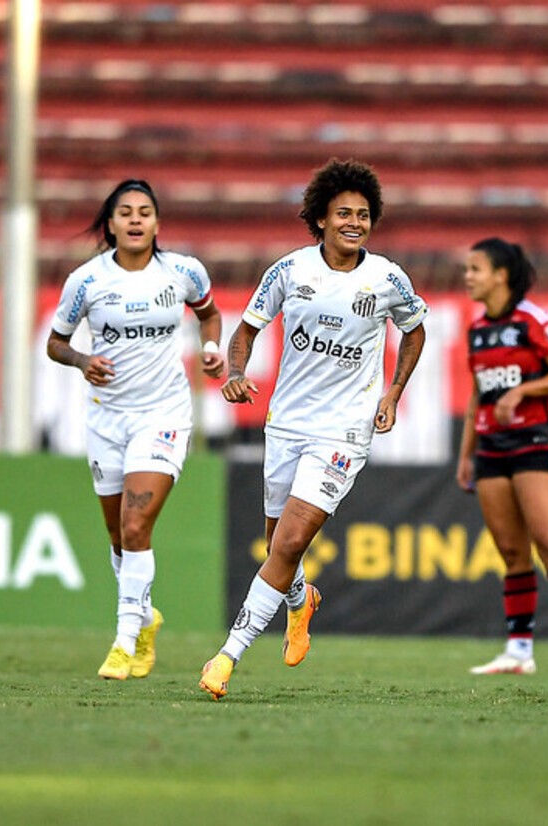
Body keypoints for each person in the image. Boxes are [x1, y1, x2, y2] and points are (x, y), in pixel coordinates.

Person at [199, 158, 428, 700]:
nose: (355, 222)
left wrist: (392, 393)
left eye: (364, 214)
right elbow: (246, 332)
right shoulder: (289, 272)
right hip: (287, 424)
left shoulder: (388, 278)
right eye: (344, 212)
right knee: (276, 544)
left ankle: (226, 657)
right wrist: (235, 374)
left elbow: (416, 332)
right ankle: (301, 600)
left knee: (292, 540)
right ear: (320, 219)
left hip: (344, 433)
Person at [47, 179, 224, 680]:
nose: (135, 220)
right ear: (110, 224)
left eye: (145, 211)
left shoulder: (183, 272)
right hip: (107, 418)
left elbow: (209, 315)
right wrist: (82, 360)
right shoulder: (86, 280)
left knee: (135, 526)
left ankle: (124, 640)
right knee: (117, 535)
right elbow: (55, 344)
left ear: (157, 223)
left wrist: (211, 350)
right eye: (125, 212)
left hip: (164, 415)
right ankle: (146, 619)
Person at [457, 238, 548, 678]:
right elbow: (476, 397)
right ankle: (519, 650)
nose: (467, 276)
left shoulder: (533, 320)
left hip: (535, 443)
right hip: (490, 448)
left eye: (475, 268)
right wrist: (465, 455)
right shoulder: (477, 329)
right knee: (510, 551)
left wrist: (521, 391)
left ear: (501, 275)